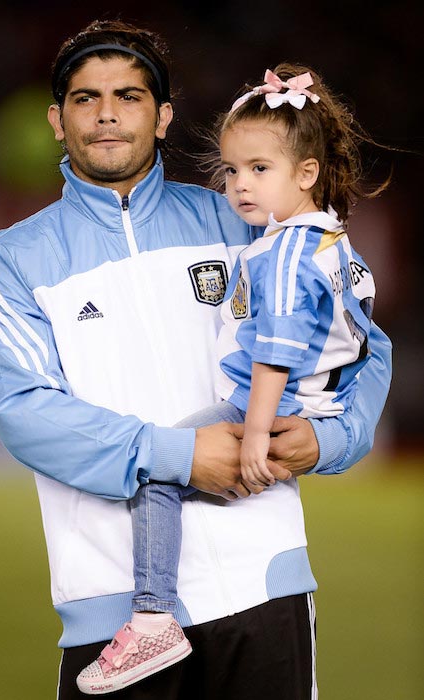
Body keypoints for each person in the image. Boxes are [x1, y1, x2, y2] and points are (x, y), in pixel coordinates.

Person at [0, 20, 392, 700]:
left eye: (129, 95)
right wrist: (176, 456)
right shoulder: (13, 258)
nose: (107, 112)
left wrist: (331, 437)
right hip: (115, 608)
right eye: (85, 98)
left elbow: (357, 339)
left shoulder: (244, 219)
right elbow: (26, 412)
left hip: (260, 579)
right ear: (56, 119)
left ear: (163, 116)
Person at [76, 64, 386, 695]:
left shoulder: (284, 250)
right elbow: (362, 341)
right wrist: (331, 423)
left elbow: (276, 351)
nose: (240, 186)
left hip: (268, 405)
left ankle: (152, 616)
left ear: (307, 173)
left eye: (260, 170)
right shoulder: (329, 241)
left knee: (160, 466)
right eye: (233, 171)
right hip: (308, 408)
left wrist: (251, 436)